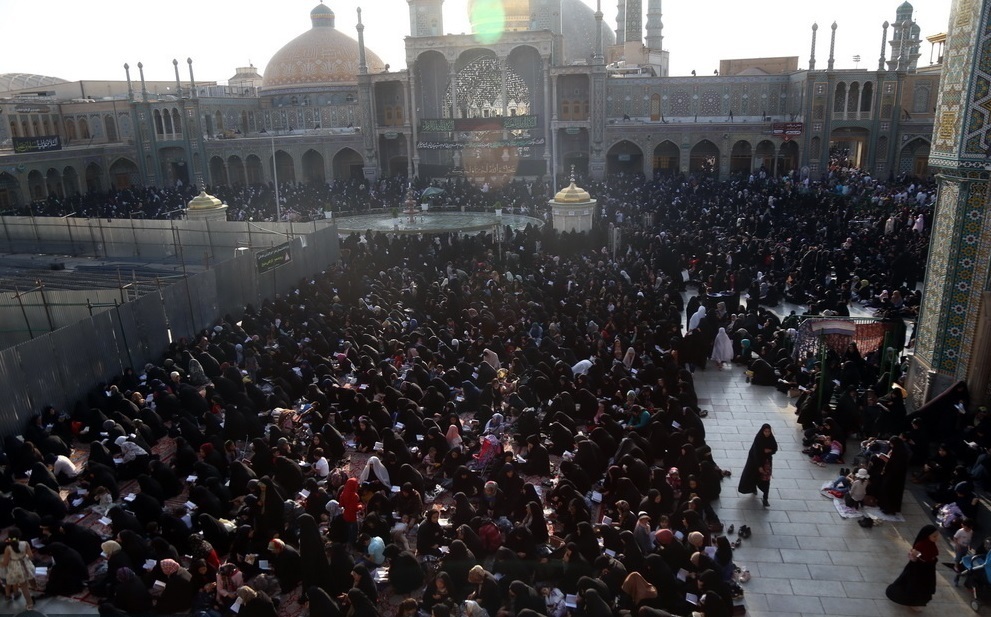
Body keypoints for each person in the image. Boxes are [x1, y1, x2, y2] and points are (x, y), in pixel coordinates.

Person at [886, 524, 940, 609]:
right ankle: (912, 602)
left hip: (928, 570)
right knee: (914, 587)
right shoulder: (920, 545)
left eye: (937, 536)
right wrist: (919, 555)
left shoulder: (931, 544)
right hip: (918, 571)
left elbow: (932, 555)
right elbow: (918, 558)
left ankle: (918, 602)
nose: (936, 538)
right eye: (934, 536)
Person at [738, 424, 777, 507]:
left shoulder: (771, 439)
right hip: (755, 463)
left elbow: (775, 448)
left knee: (766, 480)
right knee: (754, 476)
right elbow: (756, 453)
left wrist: (769, 451)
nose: (767, 433)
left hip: (766, 463)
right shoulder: (758, 439)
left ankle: (765, 498)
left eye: (768, 432)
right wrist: (759, 466)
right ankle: (753, 487)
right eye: (765, 431)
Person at [1, 527, 36, 609]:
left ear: (9, 537)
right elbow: (31, 556)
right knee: (31, 577)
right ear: (19, 535)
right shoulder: (25, 543)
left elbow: (5, 563)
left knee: (24, 587)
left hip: (16, 568)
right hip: (26, 563)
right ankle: (35, 590)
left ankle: (29, 603)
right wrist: (24, 556)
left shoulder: (8, 548)